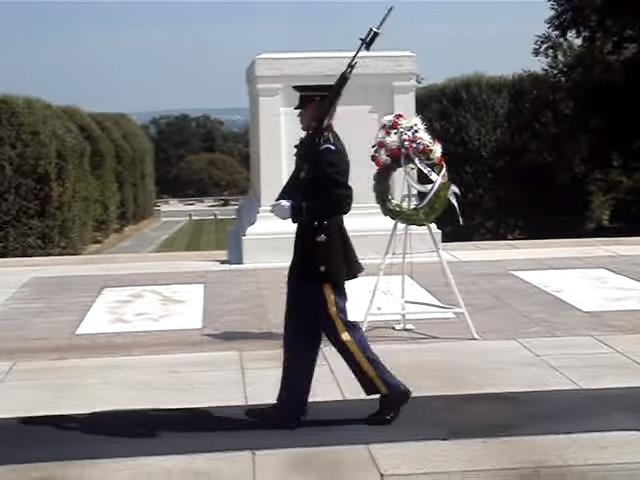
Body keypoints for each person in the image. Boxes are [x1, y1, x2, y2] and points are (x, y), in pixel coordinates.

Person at [244, 84, 411, 429]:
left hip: (322, 251)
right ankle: (289, 408)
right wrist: (287, 199)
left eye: (304, 110)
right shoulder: (314, 145)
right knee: (299, 334)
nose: (300, 115)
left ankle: (390, 389)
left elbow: (340, 202)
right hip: (308, 251)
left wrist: (298, 210)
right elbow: (300, 178)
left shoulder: (329, 149)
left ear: (318, 110)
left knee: (341, 330)